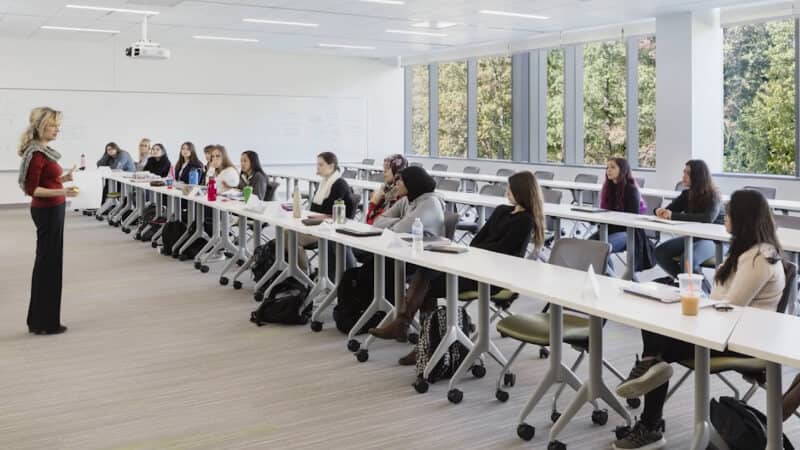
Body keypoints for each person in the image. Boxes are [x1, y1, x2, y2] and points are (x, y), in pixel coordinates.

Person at [611, 189, 786, 450]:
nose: (724, 218)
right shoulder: (744, 250)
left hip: (742, 341)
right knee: (657, 321)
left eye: (728, 214)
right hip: (722, 329)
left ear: (743, 218)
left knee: (661, 345)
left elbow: (731, 305)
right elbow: (719, 298)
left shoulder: (760, 257)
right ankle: (649, 383)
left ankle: (650, 416)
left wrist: (701, 304)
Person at [369, 171, 544, 365]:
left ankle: (415, 336)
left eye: (510, 188)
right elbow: (477, 241)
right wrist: (479, 253)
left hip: (494, 276)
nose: (507, 191)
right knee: (426, 273)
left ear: (521, 191)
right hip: (472, 266)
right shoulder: (502, 210)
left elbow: (505, 254)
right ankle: (422, 341)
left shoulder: (526, 221)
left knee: (428, 284)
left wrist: (480, 252)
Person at [17, 107, 78, 335]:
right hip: (47, 211)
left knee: (51, 264)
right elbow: (33, 189)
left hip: (53, 209)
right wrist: (64, 192)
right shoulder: (36, 153)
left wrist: (63, 179)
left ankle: (45, 319)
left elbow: (47, 180)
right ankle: (43, 322)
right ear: (42, 126)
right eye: (53, 125)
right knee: (47, 265)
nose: (57, 129)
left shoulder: (43, 151)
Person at [653, 160, 721, 292]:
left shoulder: (713, 195)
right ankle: (685, 284)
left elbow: (707, 218)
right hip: (694, 237)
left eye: (687, 173)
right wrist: (658, 210)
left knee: (687, 259)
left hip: (715, 240)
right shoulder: (687, 194)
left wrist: (672, 215)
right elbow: (669, 210)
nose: (683, 176)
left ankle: (705, 293)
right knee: (659, 252)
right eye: (684, 172)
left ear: (698, 176)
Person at [589, 158, 654, 274]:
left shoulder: (631, 190)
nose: (608, 170)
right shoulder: (608, 189)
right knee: (588, 244)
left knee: (601, 247)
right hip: (610, 229)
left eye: (613, 167)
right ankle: (609, 275)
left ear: (622, 170)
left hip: (629, 232)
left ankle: (610, 277)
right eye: (607, 167)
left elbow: (630, 220)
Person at [293, 152, 355, 273]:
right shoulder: (323, 183)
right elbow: (314, 208)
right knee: (287, 233)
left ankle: (302, 273)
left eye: (321, 165)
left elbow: (328, 212)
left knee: (291, 237)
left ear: (331, 166)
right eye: (317, 165)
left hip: (329, 229)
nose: (317, 168)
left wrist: (314, 215)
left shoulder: (339, 184)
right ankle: (299, 271)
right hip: (318, 225)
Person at [365, 154, 408, 225]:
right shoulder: (386, 189)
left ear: (397, 171)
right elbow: (369, 221)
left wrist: (373, 203)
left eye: (387, 169)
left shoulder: (400, 194)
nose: (384, 172)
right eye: (384, 168)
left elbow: (374, 223)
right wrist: (374, 203)